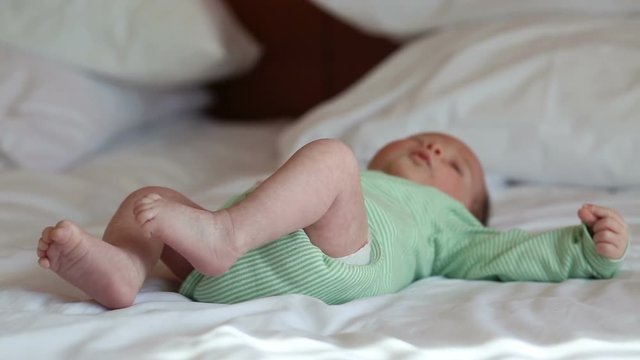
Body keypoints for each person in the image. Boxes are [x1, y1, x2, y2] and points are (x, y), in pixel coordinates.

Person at [36, 133, 629, 309]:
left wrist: (585, 250)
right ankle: (123, 269)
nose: (435, 151)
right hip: (236, 269)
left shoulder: (450, 223)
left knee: (331, 158)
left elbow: (507, 254)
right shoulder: (334, 179)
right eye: (424, 141)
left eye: (458, 166)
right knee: (152, 194)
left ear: (467, 204)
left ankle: (224, 236)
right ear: (384, 157)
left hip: (344, 257)